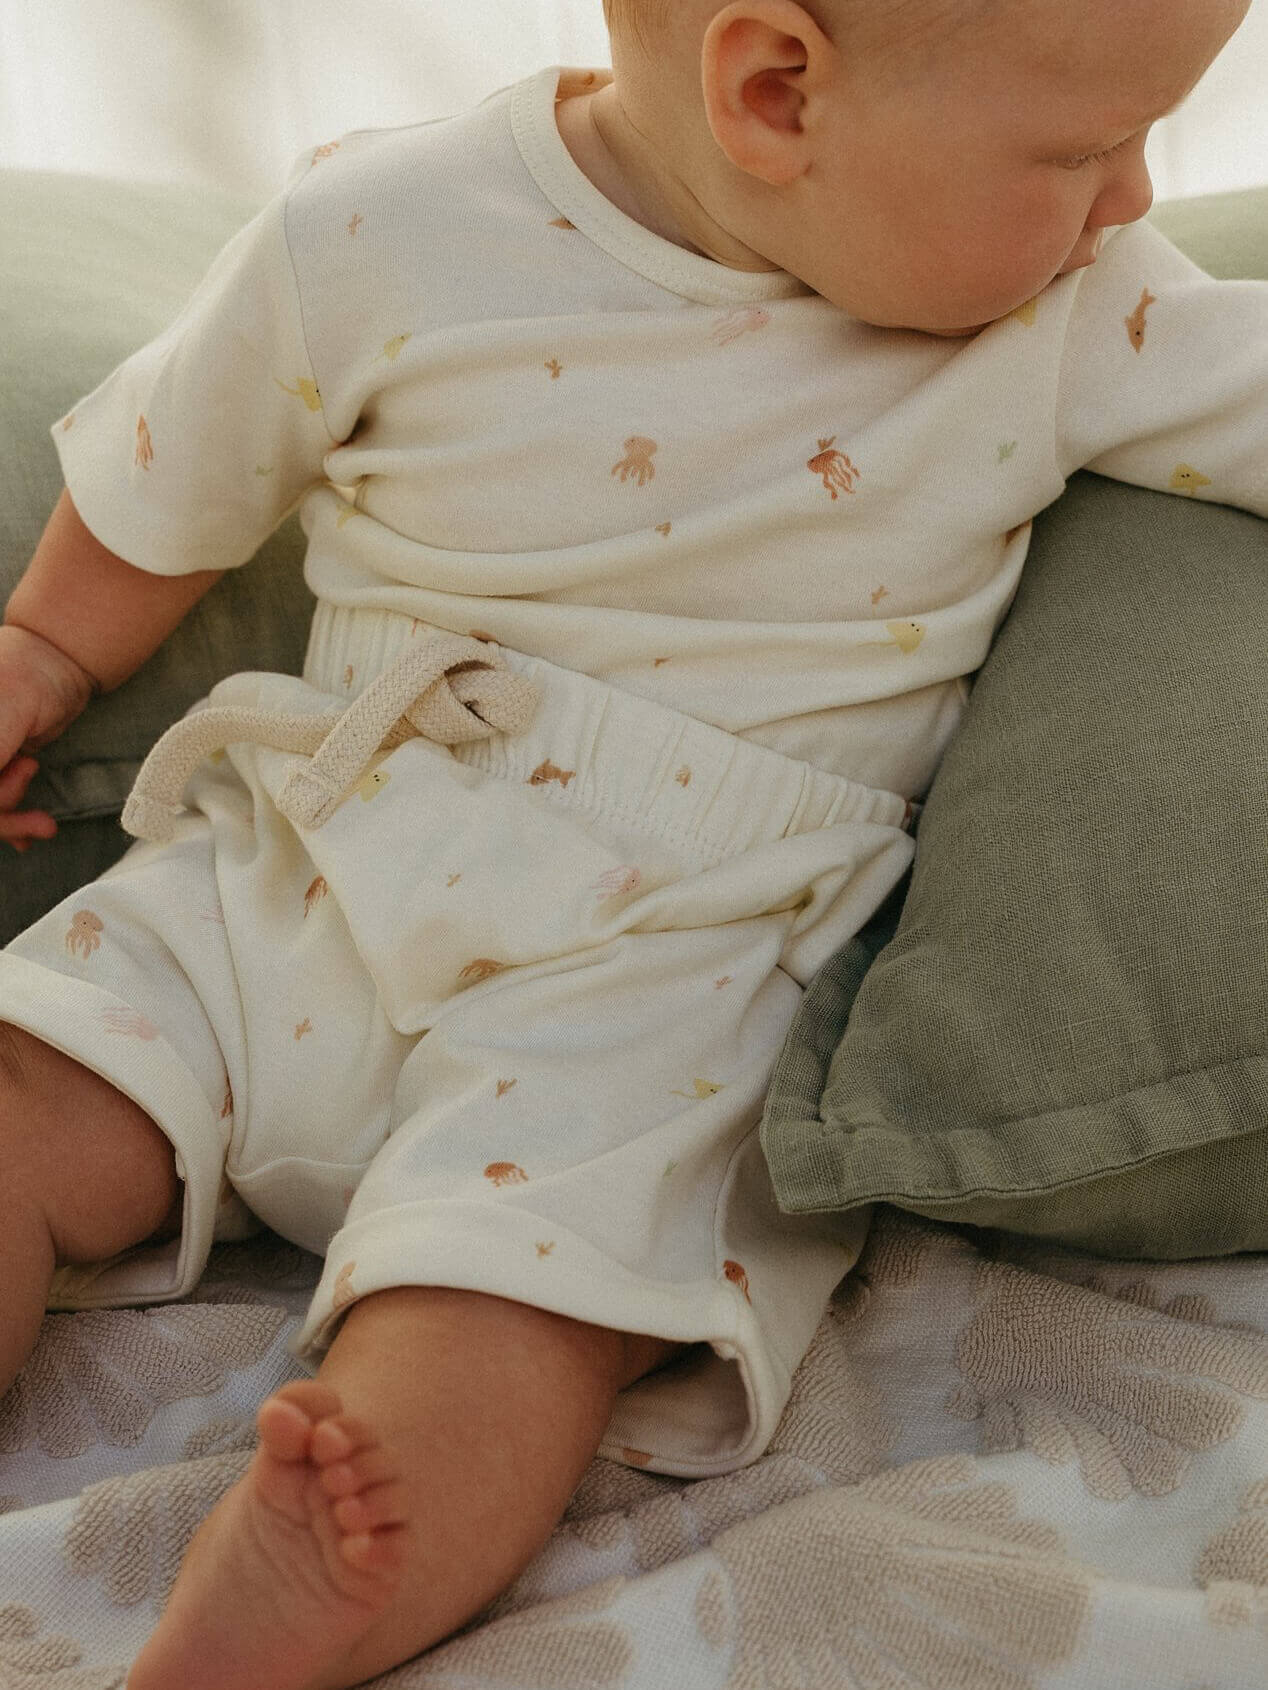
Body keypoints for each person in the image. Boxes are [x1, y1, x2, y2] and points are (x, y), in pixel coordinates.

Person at [1, 0, 1264, 1683]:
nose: (1133, 200)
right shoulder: (375, 229)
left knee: (514, 1324)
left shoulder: (1080, 315)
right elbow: (175, 462)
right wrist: (39, 656)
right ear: (774, 87)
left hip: (665, 980)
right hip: (316, 855)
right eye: (1084, 150)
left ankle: (300, 1587)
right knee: (21, 1100)